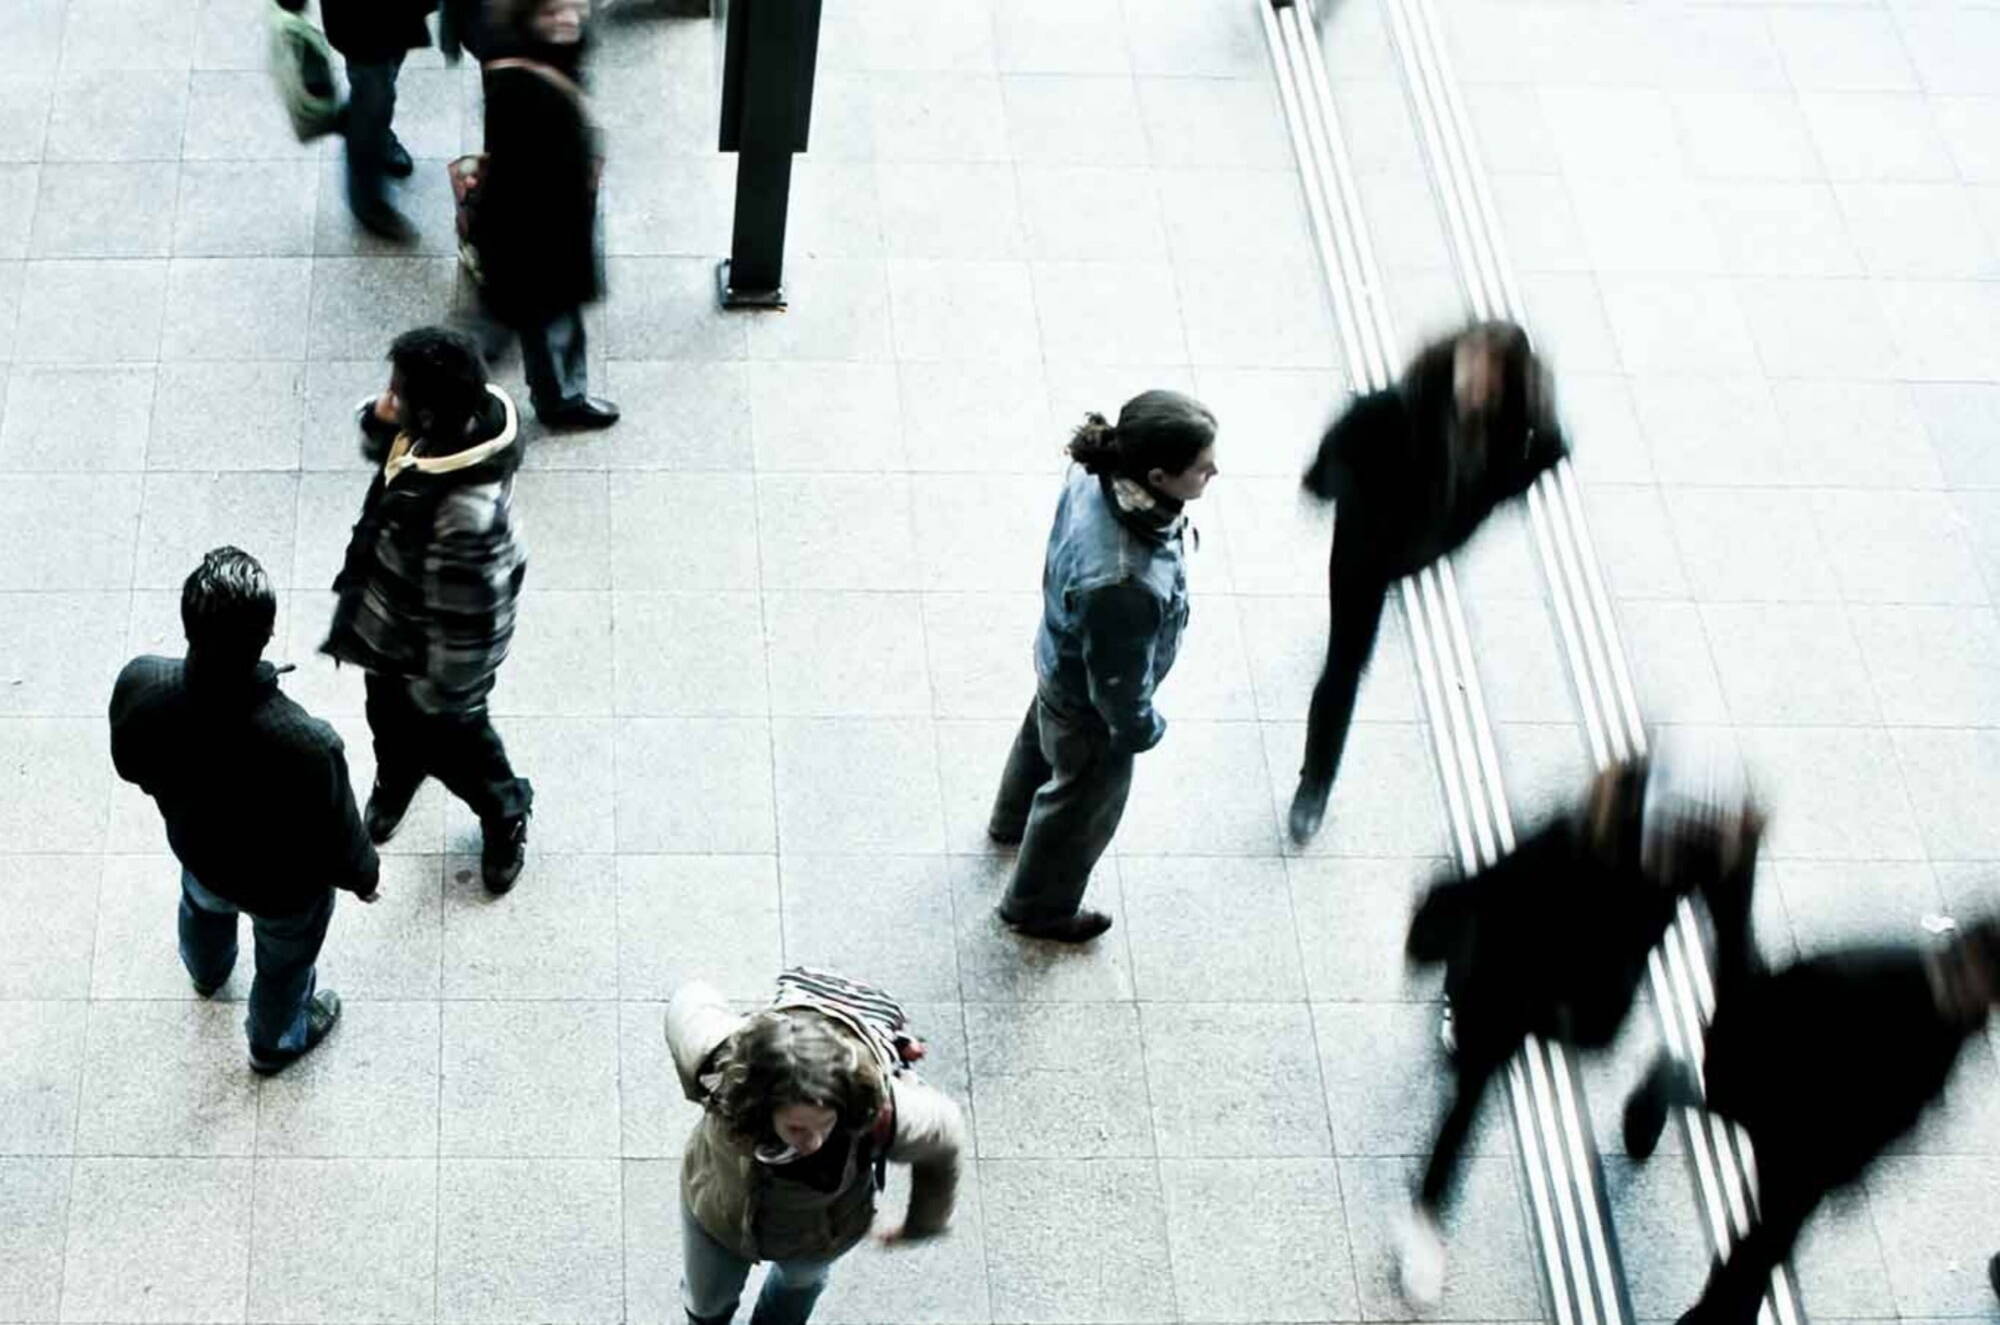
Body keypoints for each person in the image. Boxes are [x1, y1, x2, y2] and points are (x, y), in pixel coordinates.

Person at [1396, 760, 1743, 1307]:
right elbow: (1488, 888)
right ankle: (1426, 1217)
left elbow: (1736, 950)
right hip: (1511, 976)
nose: (1674, 857)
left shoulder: (1708, 855)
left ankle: (1657, 1088)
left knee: (1479, 1077)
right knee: (1469, 1095)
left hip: (1586, 1005)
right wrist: (1434, 931)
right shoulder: (1576, 836)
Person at [1623, 852, 2000, 1325]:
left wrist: (1854, 1168)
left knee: (1760, 1252)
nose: (1982, 998)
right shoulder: (1876, 974)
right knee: (1721, 1118)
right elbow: (1784, 997)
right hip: (1776, 1090)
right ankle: (1669, 1084)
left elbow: (1909, 1109)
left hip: (1814, 1153)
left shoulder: (1961, 1031)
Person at [1289, 320, 1567, 844]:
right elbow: (1332, 459)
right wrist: (1331, 487)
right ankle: (1315, 784)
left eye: (1494, 379)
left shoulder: (1514, 426)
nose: (1479, 387)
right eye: (1475, 371)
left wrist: (1494, 496)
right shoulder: (1390, 410)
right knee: (1345, 664)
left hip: (1427, 545)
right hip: (1366, 554)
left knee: (1350, 653)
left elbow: (1551, 451)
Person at [109, 548, 379, 1075]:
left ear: (188, 620)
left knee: (203, 906)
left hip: (198, 849)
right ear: (266, 633)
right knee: (284, 965)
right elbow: (338, 834)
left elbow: (129, 764)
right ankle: (273, 1041)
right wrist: (365, 876)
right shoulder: (305, 742)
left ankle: (206, 972)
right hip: (283, 891)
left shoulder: (143, 683)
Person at [987, 391, 1220, 944]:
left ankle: (1010, 824)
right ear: (1160, 477)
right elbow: (1117, 686)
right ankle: (1038, 907)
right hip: (1092, 703)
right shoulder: (1124, 581)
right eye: (1202, 468)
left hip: (1059, 657)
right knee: (1082, 801)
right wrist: (1140, 728)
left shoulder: (1098, 471)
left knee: (1041, 743)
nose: (1214, 471)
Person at [322, 326, 534, 895]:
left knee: (463, 752)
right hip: (390, 631)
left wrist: (444, 700)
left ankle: (504, 813)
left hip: (439, 672)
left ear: (432, 416)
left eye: (397, 395)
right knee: (386, 721)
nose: (385, 400)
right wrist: (384, 421)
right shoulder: (430, 438)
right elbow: (387, 451)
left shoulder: (469, 516)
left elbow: (474, 624)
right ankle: (397, 775)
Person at [664, 973, 967, 1325]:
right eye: (797, 1127)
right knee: (706, 1301)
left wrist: (922, 1222)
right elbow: (689, 1001)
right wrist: (707, 1069)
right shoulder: (726, 1069)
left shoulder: (878, 1107)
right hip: (717, 1207)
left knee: (799, 1286)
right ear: (761, 1102)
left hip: (820, 1231)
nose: (814, 1142)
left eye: (826, 1124)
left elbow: (945, 1129)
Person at [471, 0, 619, 430]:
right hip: (539, 233)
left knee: (528, 317)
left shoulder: (547, 57)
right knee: (544, 318)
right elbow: (517, 176)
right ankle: (560, 401)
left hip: (549, 223)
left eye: (574, 6)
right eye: (553, 11)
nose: (568, 18)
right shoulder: (520, 85)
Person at [319, 0, 436, 241]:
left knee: (385, 77)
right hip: (362, 21)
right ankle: (366, 202)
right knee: (371, 95)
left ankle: (379, 136)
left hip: (395, 16)